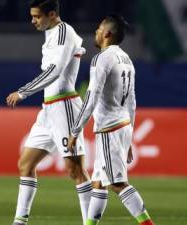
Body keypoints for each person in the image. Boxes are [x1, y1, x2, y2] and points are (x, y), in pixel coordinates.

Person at [6, 1, 91, 224]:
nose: (33, 21)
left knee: (75, 171)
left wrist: (23, 92)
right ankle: (20, 220)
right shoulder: (51, 33)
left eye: (36, 16)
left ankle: (90, 222)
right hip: (48, 110)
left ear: (52, 14)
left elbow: (55, 71)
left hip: (65, 107)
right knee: (25, 164)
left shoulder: (64, 32)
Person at [67, 15, 155, 225]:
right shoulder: (127, 59)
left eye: (98, 29)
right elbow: (131, 101)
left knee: (117, 184)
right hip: (122, 124)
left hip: (109, 127)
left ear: (108, 33)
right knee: (98, 183)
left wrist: (75, 130)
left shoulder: (102, 58)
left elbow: (91, 96)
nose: (95, 32)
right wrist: (130, 136)